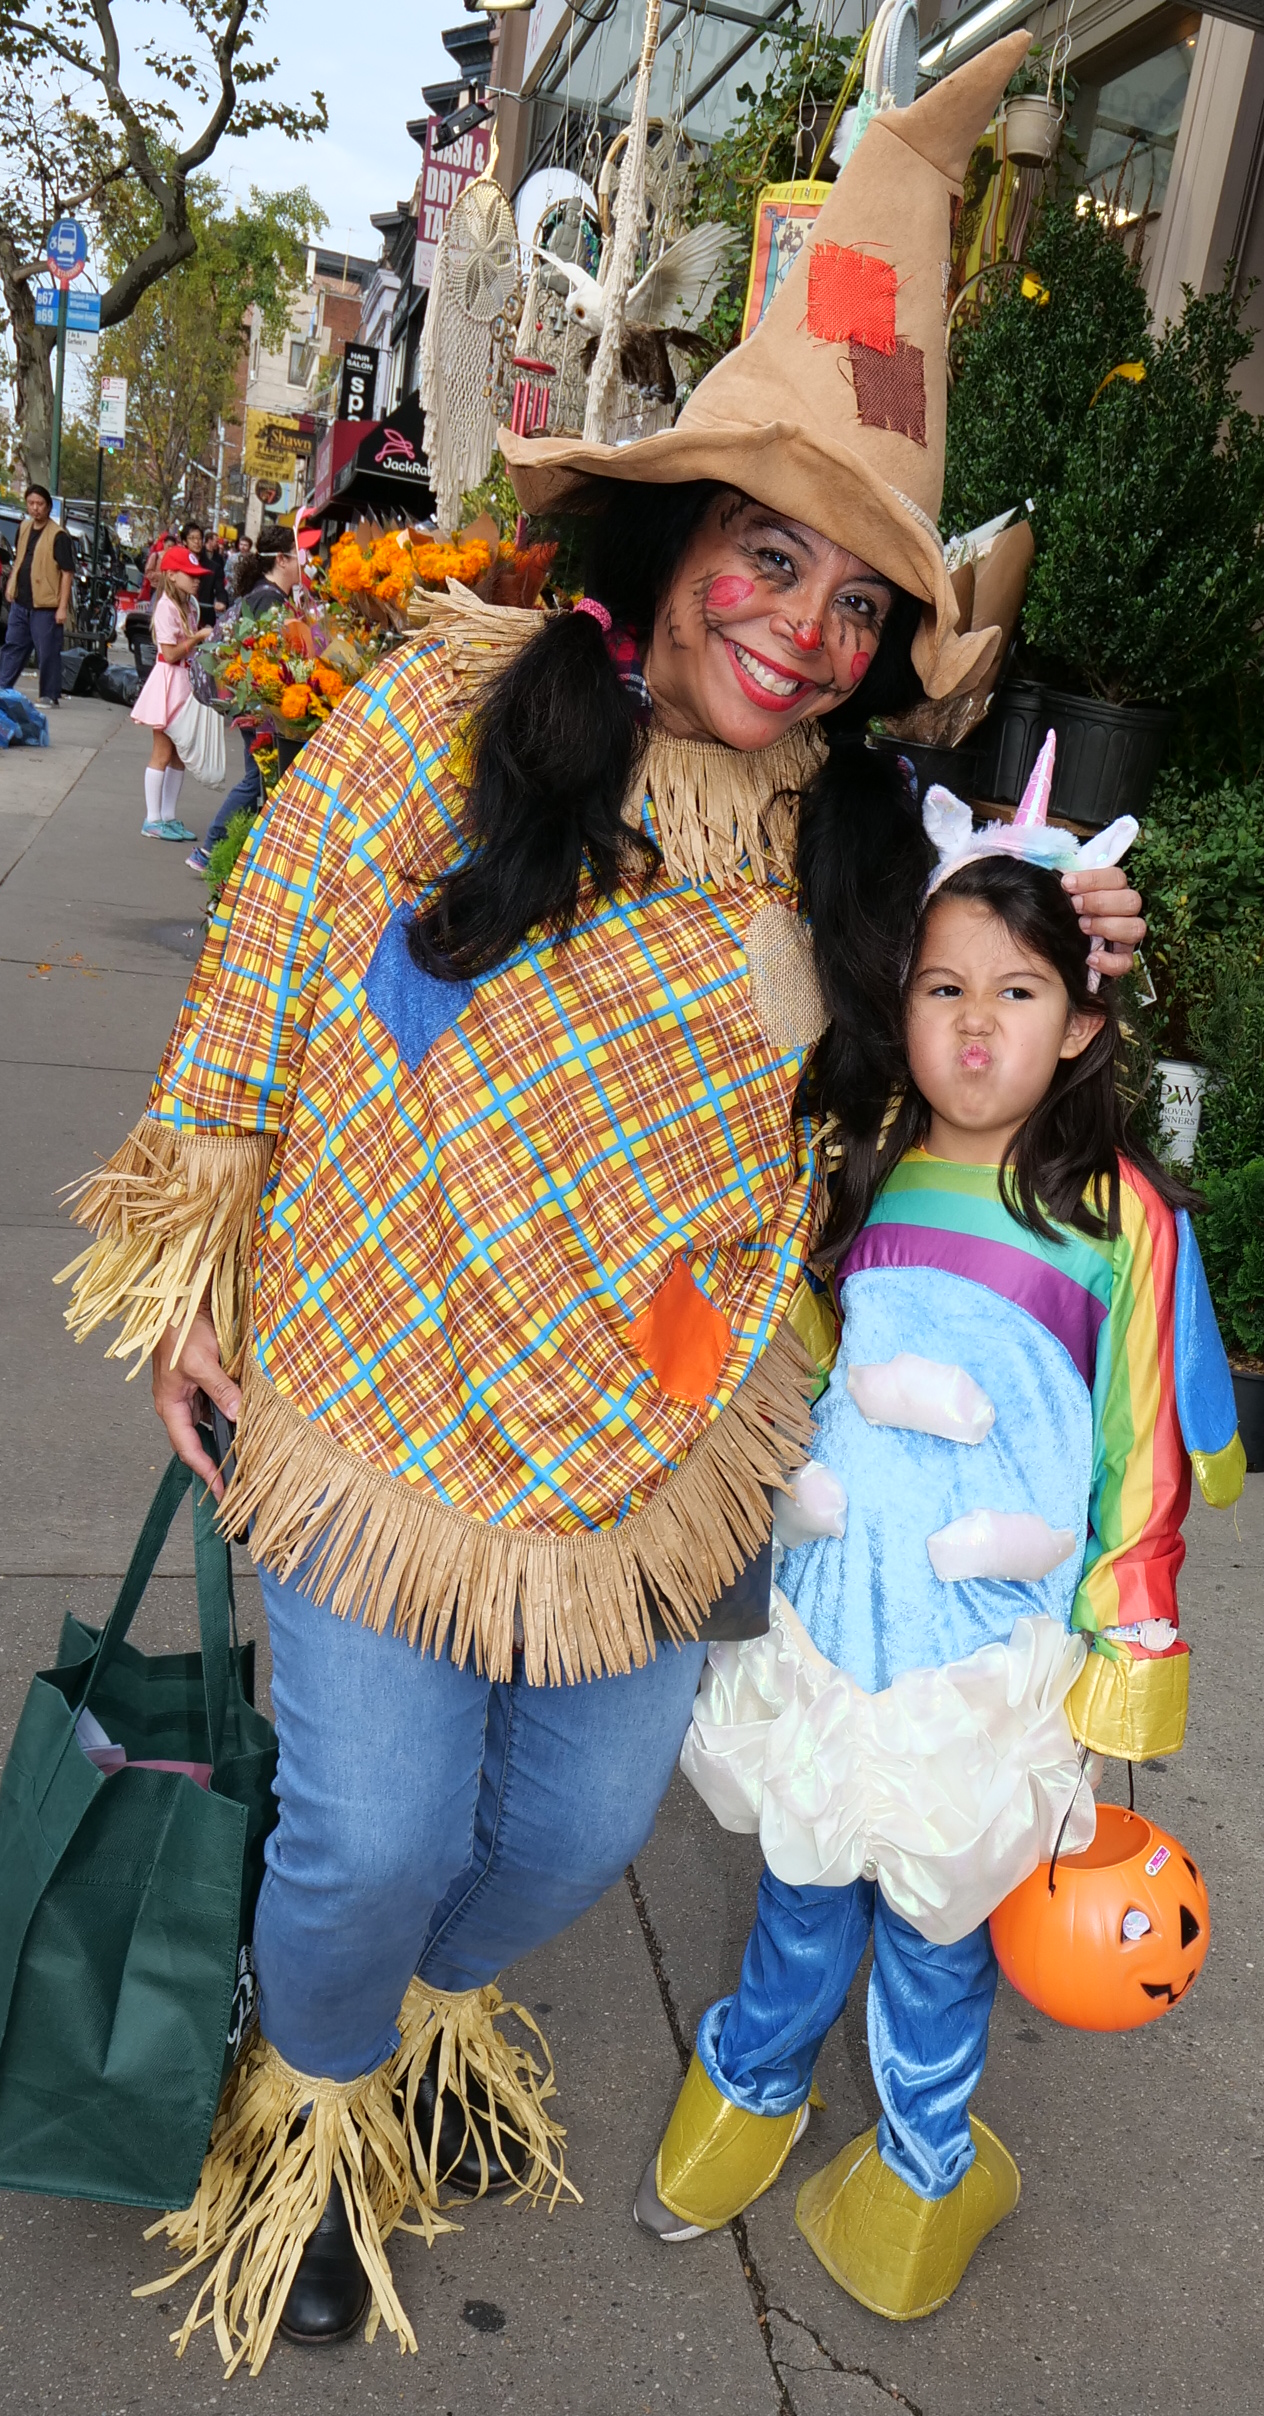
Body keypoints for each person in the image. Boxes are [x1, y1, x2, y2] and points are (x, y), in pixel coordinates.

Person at [60, 34, 1144, 2377]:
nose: (803, 629)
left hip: (649, 1444)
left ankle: (423, 2015)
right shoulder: (451, 706)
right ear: (671, 542)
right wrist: (193, 1259)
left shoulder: (856, 846)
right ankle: (311, 2100)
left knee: (566, 1831)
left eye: (855, 601)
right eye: (771, 557)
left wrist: (1050, 968)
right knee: (366, 1830)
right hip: (366, 1383)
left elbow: (947, 1111)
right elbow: (268, 964)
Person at [646, 750, 1245, 2318]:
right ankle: (752, 2084)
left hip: (987, 1665)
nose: (979, 1025)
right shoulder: (862, 1164)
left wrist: (1132, 1648)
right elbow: (794, 1353)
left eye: (1021, 992)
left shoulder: (1119, 1218)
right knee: (798, 1896)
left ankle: (925, 2167)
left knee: (935, 1942)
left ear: (1085, 1022)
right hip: (833, 1626)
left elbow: (1145, 1458)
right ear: (898, 1004)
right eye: (944, 987)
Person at [185, 525, 304, 873]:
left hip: (254, 703)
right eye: (299, 555)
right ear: (282, 560)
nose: (305, 563)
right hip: (259, 705)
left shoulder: (264, 595)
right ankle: (211, 849)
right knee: (257, 779)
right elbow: (267, 657)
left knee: (260, 777)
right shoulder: (269, 600)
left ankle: (224, 850)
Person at [130, 544, 213, 839]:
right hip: (169, 682)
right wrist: (197, 637)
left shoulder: (188, 605)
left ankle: (167, 816)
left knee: (178, 754)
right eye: (190, 574)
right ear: (172, 575)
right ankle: (153, 818)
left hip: (182, 682)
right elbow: (169, 653)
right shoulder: (166, 606)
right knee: (163, 752)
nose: (196, 580)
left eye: (197, 575)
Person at [0, 484, 75, 705]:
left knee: (47, 651)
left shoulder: (58, 535)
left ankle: (49, 695)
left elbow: (67, 572)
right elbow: (20, 559)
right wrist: (11, 584)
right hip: (22, 601)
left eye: (40, 504)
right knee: (13, 645)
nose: (35, 508)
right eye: (31, 503)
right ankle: (2, 686)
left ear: (48, 507)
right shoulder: (24, 528)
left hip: (46, 604)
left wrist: (62, 607)